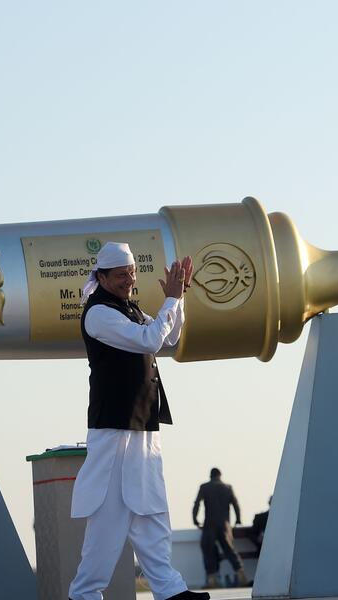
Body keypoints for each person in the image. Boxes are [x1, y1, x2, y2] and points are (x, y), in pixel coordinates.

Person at [68, 242, 208, 600]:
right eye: (121, 275)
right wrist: (171, 300)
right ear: (101, 277)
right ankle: (84, 593)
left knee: (150, 506)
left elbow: (171, 336)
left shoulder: (127, 308)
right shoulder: (99, 313)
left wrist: (179, 299)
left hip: (142, 424)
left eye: (131, 272)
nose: (129, 279)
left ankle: (170, 589)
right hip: (114, 427)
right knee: (108, 515)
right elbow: (150, 340)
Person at [192, 468, 247, 589]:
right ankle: (241, 576)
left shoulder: (204, 487)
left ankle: (212, 580)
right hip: (224, 525)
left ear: (210, 476)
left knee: (208, 551)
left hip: (209, 525)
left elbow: (197, 504)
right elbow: (235, 504)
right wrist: (238, 519)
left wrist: (195, 519)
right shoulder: (227, 487)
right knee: (230, 550)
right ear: (220, 475)